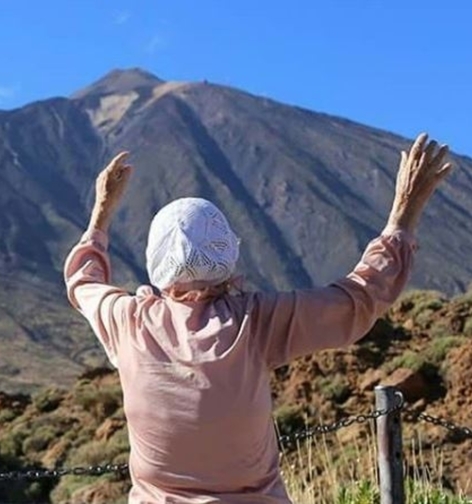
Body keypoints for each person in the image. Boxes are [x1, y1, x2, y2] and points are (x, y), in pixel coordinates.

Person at [63, 133, 451, 503]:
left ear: (155, 260)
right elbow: (359, 299)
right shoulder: (257, 320)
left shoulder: (127, 321)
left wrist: (101, 216)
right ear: (227, 255)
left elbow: (82, 282)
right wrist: (402, 215)